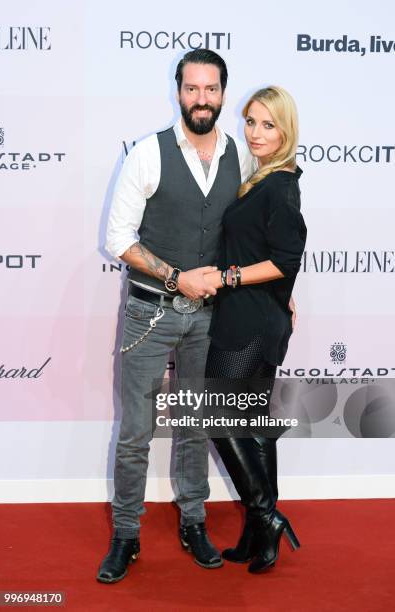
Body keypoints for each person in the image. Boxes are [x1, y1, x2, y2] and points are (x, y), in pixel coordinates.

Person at [97, 49, 255, 583]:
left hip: (209, 318)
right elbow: (119, 239)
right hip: (149, 313)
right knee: (136, 433)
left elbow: (253, 235)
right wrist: (174, 278)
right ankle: (125, 534)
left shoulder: (242, 155)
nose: (201, 99)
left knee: (193, 428)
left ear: (224, 94)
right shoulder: (149, 153)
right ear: (178, 91)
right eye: (192, 89)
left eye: (211, 89)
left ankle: (193, 522)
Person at [202, 86, 307, 573]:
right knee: (251, 427)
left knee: (222, 420)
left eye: (268, 124)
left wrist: (229, 277)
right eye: (250, 122)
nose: (256, 132)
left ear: (286, 131)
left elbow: (286, 259)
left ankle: (266, 516)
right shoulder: (267, 179)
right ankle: (258, 532)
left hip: (246, 319)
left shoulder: (281, 185)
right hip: (258, 313)